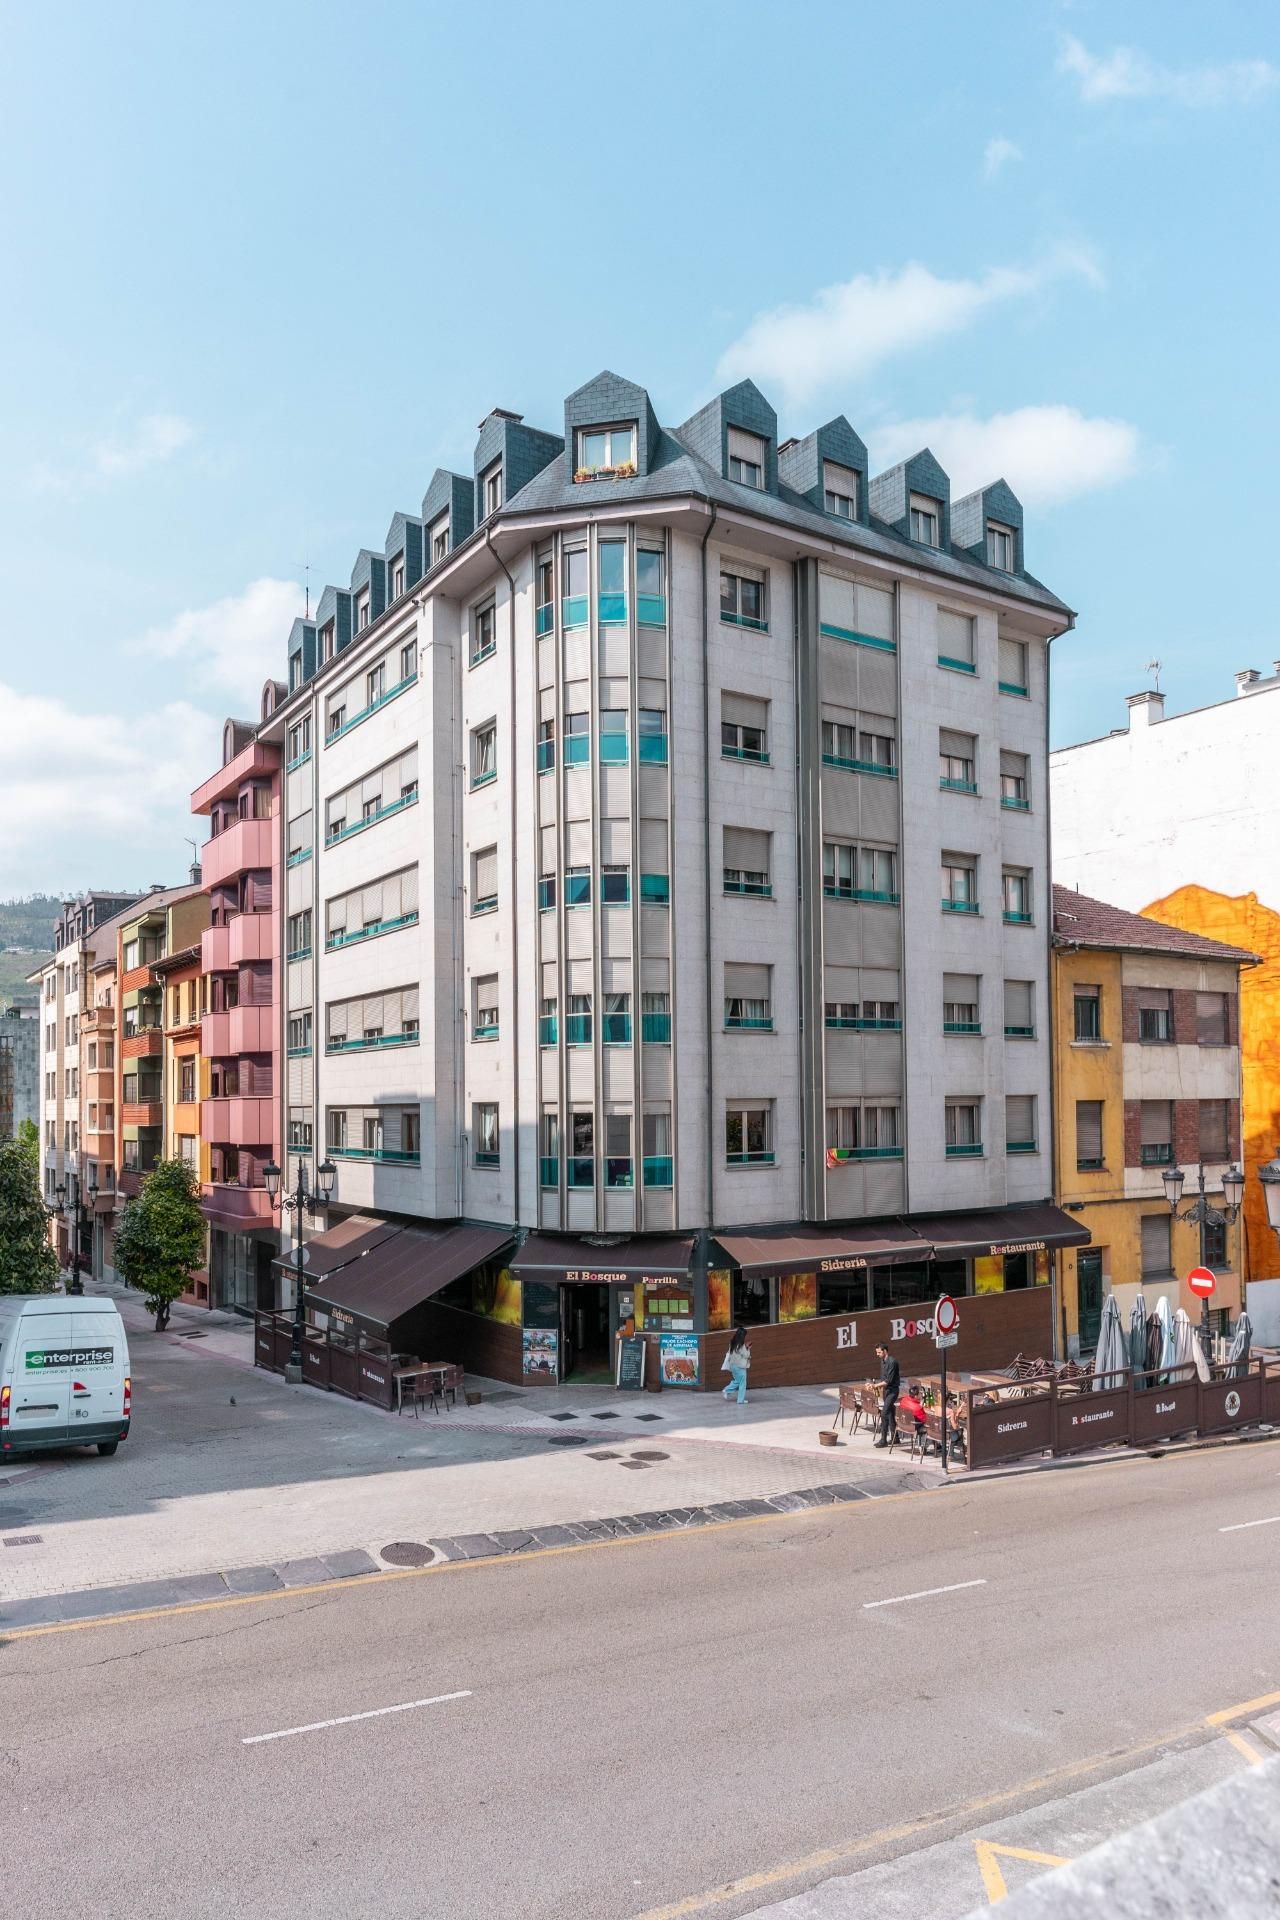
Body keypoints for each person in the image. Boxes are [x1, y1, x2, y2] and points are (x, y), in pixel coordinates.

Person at [874, 1341, 900, 1447]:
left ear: (884, 1351)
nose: (877, 1355)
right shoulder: (883, 1361)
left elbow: (888, 1380)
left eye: (879, 1352)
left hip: (893, 1391)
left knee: (884, 1413)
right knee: (890, 1414)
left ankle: (883, 1440)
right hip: (886, 1391)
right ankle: (896, 1437)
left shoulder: (892, 1362)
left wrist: (875, 1386)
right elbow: (883, 1378)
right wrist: (875, 1384)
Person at [721, 1324, 752, 1405]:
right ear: (742, 1336)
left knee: (738, 1381)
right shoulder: (741, 1346)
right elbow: (746, 1355)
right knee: (742, 1383)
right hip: (740, 1367)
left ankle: (727, 1390)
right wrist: (748, 1348)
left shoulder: (732, 1343)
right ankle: (738, 1399)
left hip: (733, 1366)